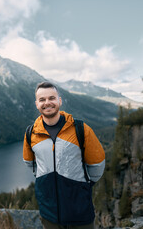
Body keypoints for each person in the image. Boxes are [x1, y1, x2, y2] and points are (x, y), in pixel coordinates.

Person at [23, 81, 105, 229]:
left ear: (59, 101)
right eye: (42, 100)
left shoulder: (81, 129)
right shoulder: (31, 133)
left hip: (79, 212)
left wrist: (82, 185)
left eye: (51, 98)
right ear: (37, 104)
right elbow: (30, 163)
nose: (47, 103)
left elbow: (97, 164)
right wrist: (45, 181)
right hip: (49, 214)